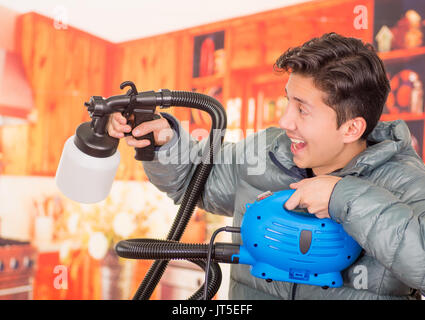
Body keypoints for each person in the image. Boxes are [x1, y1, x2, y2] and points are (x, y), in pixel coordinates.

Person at [107, 33, 425, 300]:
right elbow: (193, 181)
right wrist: (164, 142)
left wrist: (343, 197)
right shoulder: (265, 150)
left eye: (303, 110)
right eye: (288, 101)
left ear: (351, 129)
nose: (285, 121)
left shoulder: (406, 182)